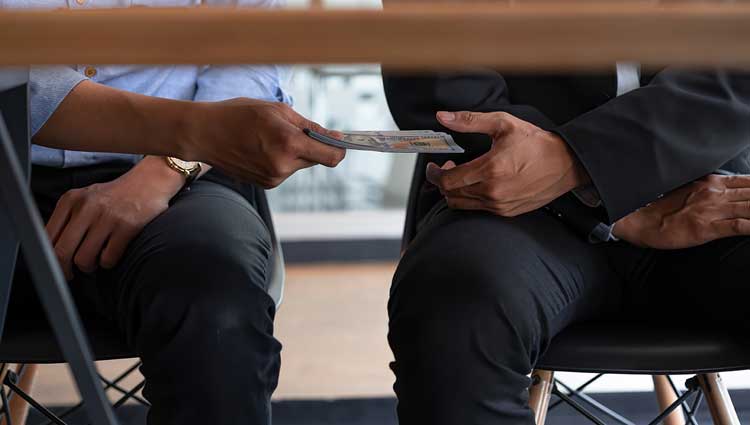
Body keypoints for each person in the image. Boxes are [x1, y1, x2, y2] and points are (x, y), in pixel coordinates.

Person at [4, 1, 344, 425]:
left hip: (181, 175)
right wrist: (193, 131)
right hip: (11, 157)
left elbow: (249, 51)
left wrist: (166, 169)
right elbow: (12, 76)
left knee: (215, 294)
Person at [383, 67, 750, 424]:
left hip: (715, 180)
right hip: (514, 200)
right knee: (454, 296)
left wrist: (594, 168)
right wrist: (607, 194)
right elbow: (445, 82)